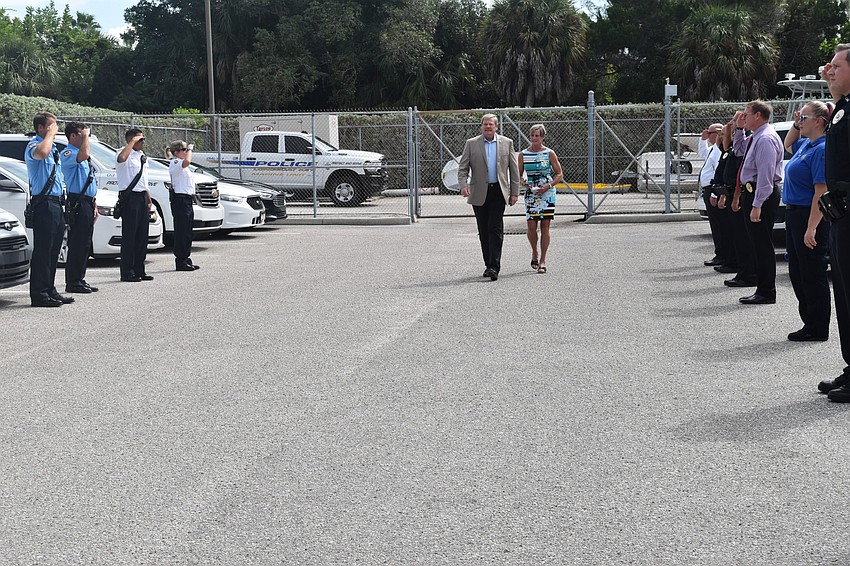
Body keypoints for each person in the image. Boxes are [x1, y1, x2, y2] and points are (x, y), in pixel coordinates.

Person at [782, 101, 831, 342]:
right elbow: (787, 144)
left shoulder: (821, 148)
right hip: (794, 214)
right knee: (798, 272)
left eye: (804, 118)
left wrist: (811, 227)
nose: (800, 121)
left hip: (809, 214)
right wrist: (796, 122)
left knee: (812, 273)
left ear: (819, 122)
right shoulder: (805, 145)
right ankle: (809, 321)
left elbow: (820, 192)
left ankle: (818, 326)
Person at [817, 44, 850, 401]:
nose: (830, 70)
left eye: (837, 65)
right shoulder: (841, 109)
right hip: (840, 216)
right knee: (843, 294)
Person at [731, 101, 783, 305]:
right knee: (757, 243)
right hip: (752, 193)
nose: (744, 117)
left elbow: (766, 176)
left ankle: (766, 291)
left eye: (747, 114)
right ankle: (762, 288)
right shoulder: (756, 137)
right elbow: (738, 150)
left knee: (762, 245)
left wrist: (757, 204)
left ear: (759, 116)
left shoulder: (766, 139)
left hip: (760, 196)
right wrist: (738, 128)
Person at [457, 113, 521, 281]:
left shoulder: (507, 143)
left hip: (498, 191)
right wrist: (463, 185)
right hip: (479, 192)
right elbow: (463, 168)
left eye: (491, 124)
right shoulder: (471, 144)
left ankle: (495, 266)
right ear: (481, 126)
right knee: (483, 231)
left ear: (496, 126)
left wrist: (514, 192)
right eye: (485, 124)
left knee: (495, 228)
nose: (488, 127)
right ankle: (488, 264)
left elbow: (514, 171)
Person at [25, 112, 73, 307]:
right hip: (43, 203)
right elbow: (41, 154)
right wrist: (50, 135)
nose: (56, 129)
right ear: (41, 128)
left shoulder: (52, 148)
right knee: (43, 250)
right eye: (51, 126)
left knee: (54, 249)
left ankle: (50, 288)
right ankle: (39, 294)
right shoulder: (34, 146)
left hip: (55, 203)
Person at [717, 119, 757, 289]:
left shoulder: (749, 141)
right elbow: (726, 147)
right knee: (738, 237)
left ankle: (749, 273)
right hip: (734, 192)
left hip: (742, 192)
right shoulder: (736, 145)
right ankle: (743, 271)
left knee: (744, 238)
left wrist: (735, 127)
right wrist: (730, 128)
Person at [61, 121, 99, 294]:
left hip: (87, 201)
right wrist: (86, 137)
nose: (85, 136)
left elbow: (89, 180)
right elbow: (83, 155)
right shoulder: (69, 152)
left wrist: (94, 204)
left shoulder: (83, 154)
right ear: (72, 136)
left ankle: (79, 278)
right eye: (81, 133)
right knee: (77, 243)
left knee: (85, 243)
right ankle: (73, 282)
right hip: (77, 201)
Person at [519, 124, 563, 274]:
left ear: (542, 137)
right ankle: (534, 252)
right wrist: (523, 182)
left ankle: (543, 259)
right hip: (531, 192)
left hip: (547, 192)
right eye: (532, 135)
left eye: (537, 135)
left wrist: (549, 185)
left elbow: (559, 174)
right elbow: (519, 175)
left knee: (545, 225)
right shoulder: (523, 154)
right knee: (531, 226)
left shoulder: (549, 153)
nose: (534, 138)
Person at [116, 128, 153, 283]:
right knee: (130, 236)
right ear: (131, 139)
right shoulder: (123, 152)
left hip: (141, 197)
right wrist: (132, 142)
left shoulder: (142, 156)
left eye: (143, 140)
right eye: (140, 140)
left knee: (141, 236)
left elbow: (143, 179)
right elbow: (121, 159)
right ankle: (127, 271)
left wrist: (148, 198)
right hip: (129, 197)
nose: (143, 142)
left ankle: (139, 268)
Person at [698, 123, 730, 270]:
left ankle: (723, 255)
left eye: (710, 132)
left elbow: (718, 171)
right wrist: (702, 139)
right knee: (715, 226)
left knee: (720, 226)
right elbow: (702, 152)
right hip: (709, 189)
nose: (708, 134)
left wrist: (714, 193)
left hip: (714, 190)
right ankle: (720, 255)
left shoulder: (718, 150)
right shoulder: (713, 149)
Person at [168, 140, 199, 271]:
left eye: (187, 150)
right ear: (176, 152)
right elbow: (187, 162)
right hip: (180, 199)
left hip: (186, 199)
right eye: (184, 150)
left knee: (187, 231)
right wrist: (191, 150)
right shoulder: (175, 162)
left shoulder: (180, 164)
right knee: (181, 231)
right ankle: (180, 260)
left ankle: (186, 258)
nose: (186, 152)